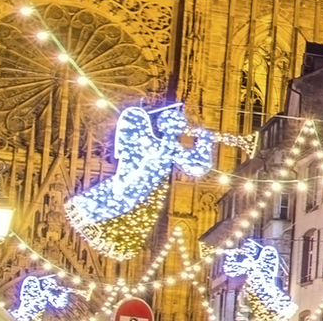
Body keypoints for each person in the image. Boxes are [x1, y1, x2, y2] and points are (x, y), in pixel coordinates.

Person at [64, 103, 220, 260]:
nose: (176, 129)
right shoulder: (157, 144)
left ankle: (117, 238)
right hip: (135, 185)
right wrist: (203, 144)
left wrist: (205, 144)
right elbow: (194, 166)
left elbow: (197, 167)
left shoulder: (167, 146)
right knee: (118, 211)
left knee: (124, 216)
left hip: (142, 191)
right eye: (173, 124)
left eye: (177, 125)